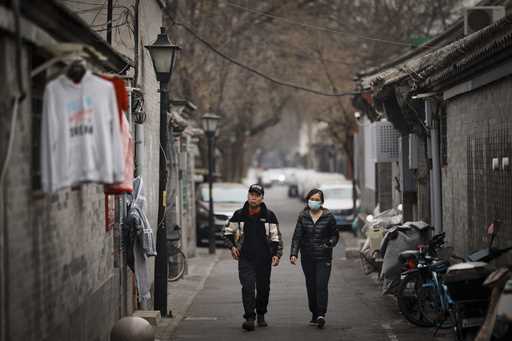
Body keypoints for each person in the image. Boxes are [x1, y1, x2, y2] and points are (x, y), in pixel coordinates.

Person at [223, 184, 283, 331]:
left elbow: (276, 237)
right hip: (246, 258)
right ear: (248, 196)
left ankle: (261, 314)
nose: (253, 197)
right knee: (248, 287)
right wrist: (232, 247)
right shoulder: (239, 215)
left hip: (264, 259)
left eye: (257, 195)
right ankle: (250, 317)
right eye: (251, 194)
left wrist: (276, 254)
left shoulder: (269, 216)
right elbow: (226, 233)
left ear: (262, 198)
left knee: (263, 289)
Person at [290, 188, 339, 328]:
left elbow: (335, 235)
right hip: (307, 257)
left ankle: (321, 314)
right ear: (307, 200)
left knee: (321, 285)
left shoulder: (329, 216)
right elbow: (297, 237)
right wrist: (294, 253)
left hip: (324, 257)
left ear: (322, 202)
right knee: (311, 286)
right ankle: (314, 313)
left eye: (317, 200)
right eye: (312, 199)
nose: (314, 202)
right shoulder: (303, 216)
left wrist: (329, 243)